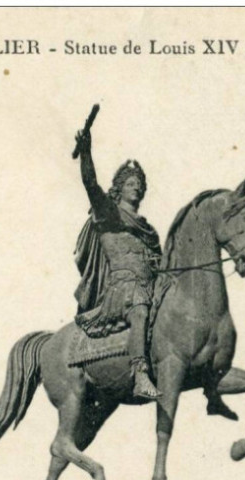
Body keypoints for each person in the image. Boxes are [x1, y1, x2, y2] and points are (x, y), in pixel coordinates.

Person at [73, 125, 161, 400]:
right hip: (122, 289)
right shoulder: (108, 213)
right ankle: (140, 374)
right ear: (119, 189)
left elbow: (158, 261)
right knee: (139, 307)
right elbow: (90, 184)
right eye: (131, 184)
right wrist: (86, 152)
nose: (137, 188)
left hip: (149, 283)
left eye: (139, 185)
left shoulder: (147, 229)